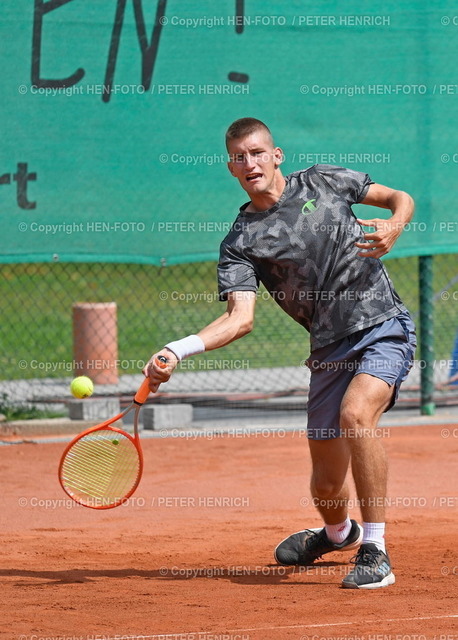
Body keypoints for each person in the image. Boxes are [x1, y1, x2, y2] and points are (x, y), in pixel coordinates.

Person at [143, 117, 417, 590]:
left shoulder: (324, 181)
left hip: (381, 325)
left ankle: (375, 550)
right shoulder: (240, 242)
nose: (249, 163)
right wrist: (177, 349)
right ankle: (338, 534)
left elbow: (399, 198)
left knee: (357, 416)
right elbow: (239, 318)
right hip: (328, 349)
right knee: (327, 487)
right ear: (231, 167)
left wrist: (395, 225)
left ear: (276, 155)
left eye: (256, 152)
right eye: (238, 157)